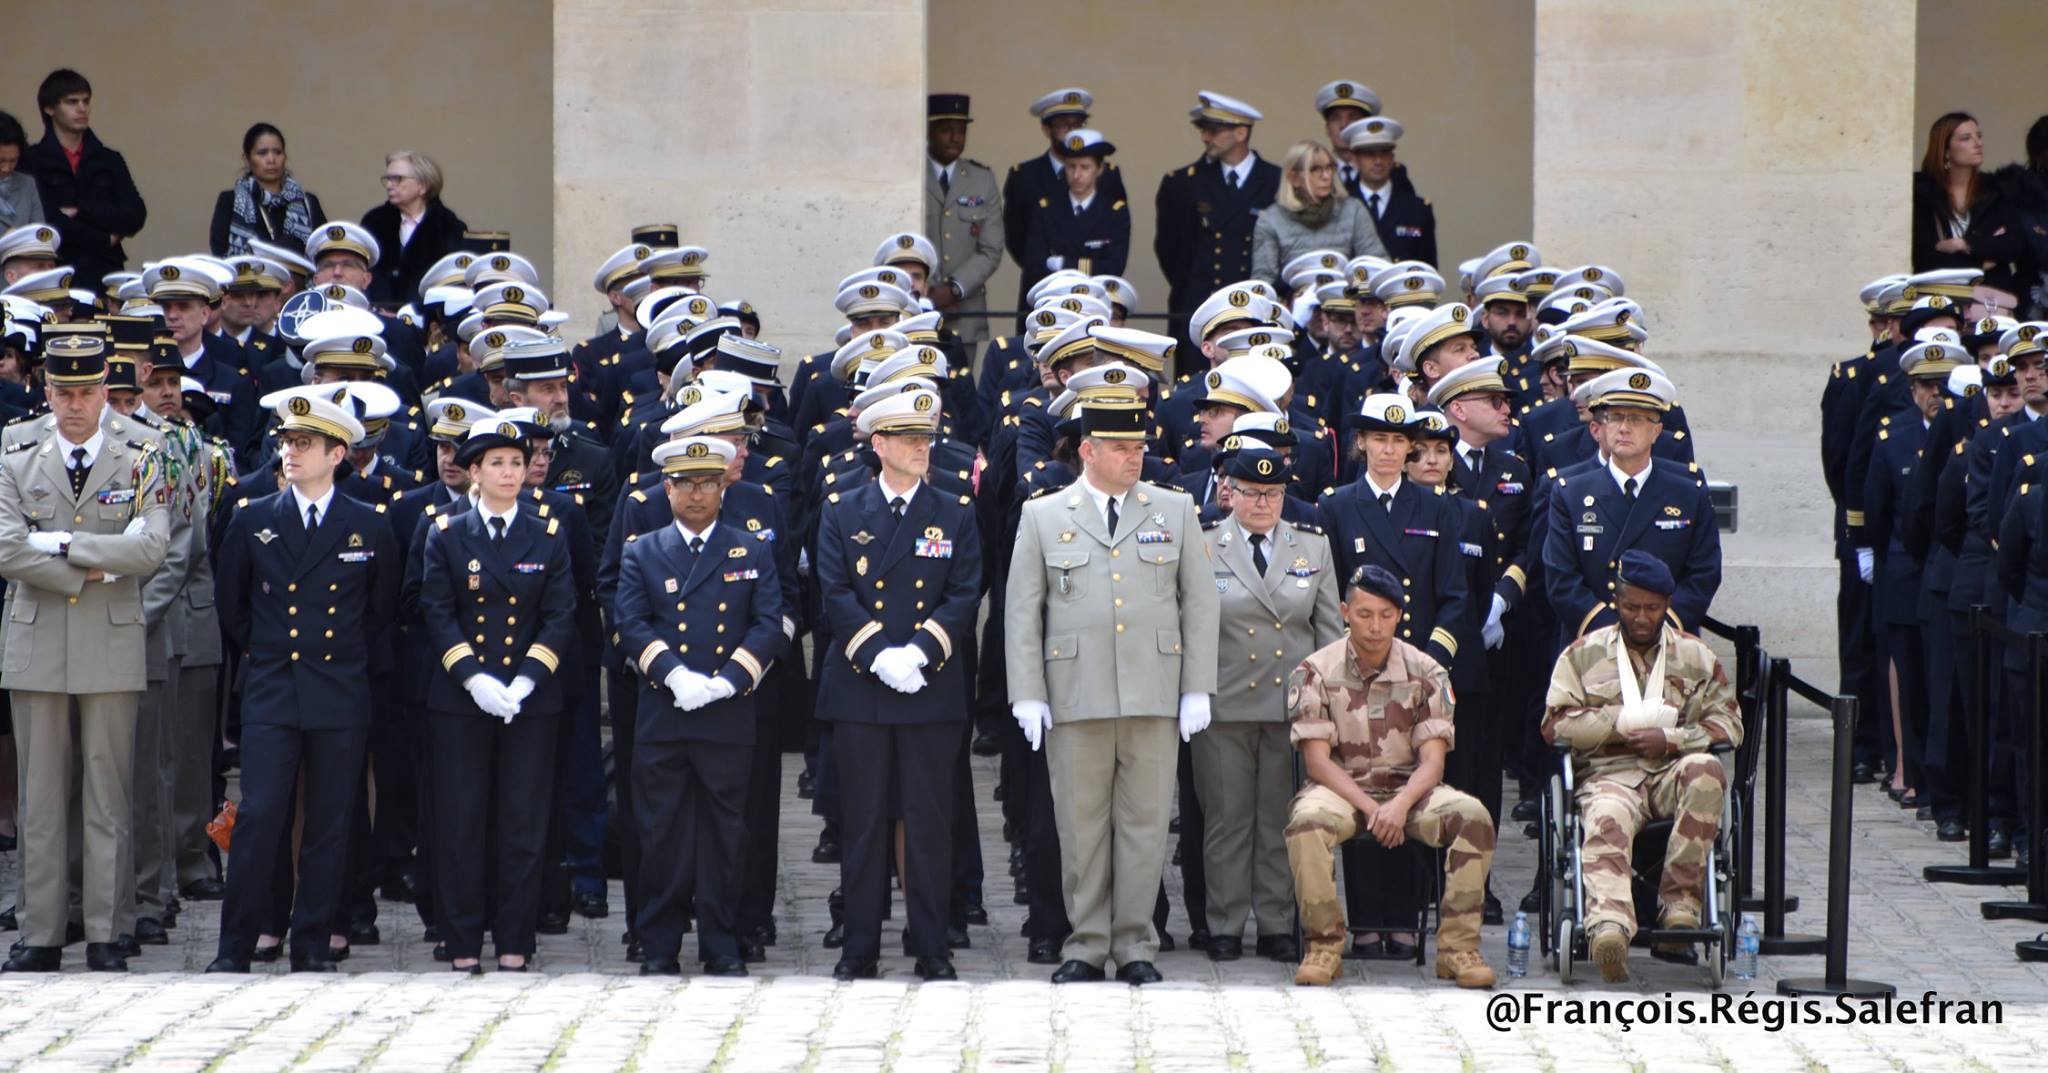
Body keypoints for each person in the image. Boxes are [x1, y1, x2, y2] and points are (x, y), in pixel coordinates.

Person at [1004, 389, 1219, 985]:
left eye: (1138, 446)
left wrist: (1197, 687)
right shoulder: (1045, 515)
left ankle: (1135, 944)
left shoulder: (1173, 509)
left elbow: (1199, 603)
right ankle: (1086, 943)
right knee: (1081, 828)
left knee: (1145, 827)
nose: (1134, 457)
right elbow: (1022, 611)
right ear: (1089, 451)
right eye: (1121, 447)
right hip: (1076, 693)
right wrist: (1027, 691)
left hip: (1154, 691)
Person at [206, 384, 400, 973]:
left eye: (305, 443)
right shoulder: (254, 518)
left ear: (337, 454)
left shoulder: (369, 524)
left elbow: (379, 612)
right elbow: (233, 608)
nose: (290, 452)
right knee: (260, 814)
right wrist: (270, 653)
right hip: (272, 685)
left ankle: (313, 942)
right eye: (287, 441)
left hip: (339, 689)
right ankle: (236, 945)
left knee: (331, 821)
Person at [0, 334, 172, 973]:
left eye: (86, 392)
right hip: (38, 638)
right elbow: (6, 548)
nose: (74, 406)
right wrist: (99, 562)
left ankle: (107, 929)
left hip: (110, 637)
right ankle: (41, 933)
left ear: (105, 391)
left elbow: (152, 547)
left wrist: (62, 545)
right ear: (45, 391)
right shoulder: (15, 451)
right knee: (40, 797)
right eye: (62, 393)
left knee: (108, 792)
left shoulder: (144, 451)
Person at [813, 387, 984, 982]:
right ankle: (859, 946)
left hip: (929, 687)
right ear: (878, 444)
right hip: (863, 687)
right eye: (909, 439)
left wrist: (919, 651)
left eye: (926, 438)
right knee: (862, 822)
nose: (921, 448)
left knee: (929, 822)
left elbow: (964, 591)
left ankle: (932, 945)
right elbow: (834, 591)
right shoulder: (842, 508)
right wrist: (879, 654)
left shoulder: (954, 509)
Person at [614, 436, 785, 977]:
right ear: (666, 489)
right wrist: (673, 674)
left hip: (726, 714)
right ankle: (659, 944)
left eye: (707, 483)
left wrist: (730, 680)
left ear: (722, 489)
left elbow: (768, 623)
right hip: (664, 712)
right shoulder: (642, 551)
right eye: (685, 484)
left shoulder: (751, 549)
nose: (696, 494)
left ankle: (721, 942)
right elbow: (630, 622)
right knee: (661, 832)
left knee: (726, 834)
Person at [1284, 564, 1498, 989]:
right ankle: (1323, 945)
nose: (1375, 626)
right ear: (1345, 612)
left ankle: (1458, 949)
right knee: (1306, 822)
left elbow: (1433, 762)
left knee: (1473, 816)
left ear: (1399, 615)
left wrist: (1399, 805)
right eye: (1364, 614)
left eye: (1385, 615)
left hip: (1410, 791)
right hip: (1342, 790)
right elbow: (1318, 763)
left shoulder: (1427, 671)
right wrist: (1372, 808)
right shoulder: (1315, 671)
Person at [418, 418, 576, 973]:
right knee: (461, 821)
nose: (510, 473)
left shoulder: (548, 533)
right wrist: (475, 679)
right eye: (497, 464)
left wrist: (526, 679)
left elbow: (560, 615)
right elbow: (436, 612)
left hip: (530, 700)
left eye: (517, 462)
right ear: (475, 473)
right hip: (461, 698)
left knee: (522, 822)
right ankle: (462, 938)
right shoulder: (446, 532)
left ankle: (515, 939)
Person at [1543, 550, 1743, 982]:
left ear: (1667, 605)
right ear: (1616, 601)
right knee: (1607, 814)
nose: (1641, 617)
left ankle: (1680, 907)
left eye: (1652, 608)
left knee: (1708, 771)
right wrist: (1619, 724)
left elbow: (1729, 724)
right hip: (1609, 776)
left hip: (1672, 771)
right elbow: (1555, 725)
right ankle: (1609, 927)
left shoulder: (1696, 657)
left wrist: (1672, 739)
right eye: (1631, 606)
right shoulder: (1583, 655)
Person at [1195, 447, 1340, 963]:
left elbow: (1328, 632)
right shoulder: (1205, 544)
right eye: (1252, 493)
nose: (1263, 503)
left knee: (1282, 817)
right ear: (1229, 493)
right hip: (1226, 703)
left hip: (1289, 706)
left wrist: (1327, 704)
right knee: (1227, 819)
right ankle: (1226, 923)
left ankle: (1277, 922)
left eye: (1274, 493)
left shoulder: (1312, 546)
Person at [1542, 368, 1721, 638]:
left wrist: (1654, 627)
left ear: (1656, 431)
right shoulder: (1570, 493)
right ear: (1602, 427)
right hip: (1594, 642)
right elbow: (1561, 578)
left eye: (1636, 419)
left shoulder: (1688, 493)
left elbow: (1704, 573)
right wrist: (1612, 633)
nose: (1624, 428)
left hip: (1667, 641)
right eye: (1615, 417)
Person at [1155, 92, 1280, 348]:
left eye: (1213, 130)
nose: (1205, 137)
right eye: (1203, 130)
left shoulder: (1275, 180)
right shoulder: (1183, 182)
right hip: (1200, 306)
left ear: (1241, 133)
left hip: (1253, 306)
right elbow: (1170, 250)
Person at [1004, 88, 1127, 330]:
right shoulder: (1025, 177)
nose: (1077, 174)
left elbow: (1113, 250)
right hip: (1045, 297)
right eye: (1064, 125)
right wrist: (1047, 266)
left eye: (1077, 124)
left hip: (1092, 300)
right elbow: (1019, 241)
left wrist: (1061, 262)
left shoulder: (1110, 179)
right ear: (1046, 129)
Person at [21, 69, 146, 289]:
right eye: (72, 102)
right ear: (49, 108)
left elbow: (134, 214)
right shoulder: (31, 160)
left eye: (86, 101)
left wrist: (81, 211)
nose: (82, 108)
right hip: (54, 270)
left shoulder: (109, 159)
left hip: (104, 273)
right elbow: (45, 221)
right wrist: (104, 239)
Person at [1912, 113, 2029, 313]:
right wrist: (1982, 260)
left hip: (1991, 302)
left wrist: (1964, 244)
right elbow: (1924, 257)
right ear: (1945, 150)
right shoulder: (1923, 194)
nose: (1978, 143)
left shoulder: (1997, 190)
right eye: (1966, 138)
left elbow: (2014, 245)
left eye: (1979, 136)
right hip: (1940, 305)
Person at [1018, 130, 1130, 314]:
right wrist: (1088, 264)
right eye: (1071, 167)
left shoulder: (1115, 212)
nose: (1077, 175)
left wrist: (1063, 263)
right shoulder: (1046, 208)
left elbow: (1114, 266)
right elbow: (1035, 264)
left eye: (1085, 167)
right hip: (1053, 303)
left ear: (1099, 169)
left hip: (1094, 305)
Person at [925, 93, 1004, 346]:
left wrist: (955, 288)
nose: (955, 138)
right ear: (928, 131)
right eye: (946, 130)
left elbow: (991, 248)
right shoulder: (912, 174)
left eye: (961, 131)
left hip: (965, 311)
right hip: (919, 307)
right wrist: (928, 290)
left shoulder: (982, 179)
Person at [1250, 140, 1384, 290]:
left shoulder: (1352, 210)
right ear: (1294, 178)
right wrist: (1289, 295)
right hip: (1294, 300)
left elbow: (1375, 265)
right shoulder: (1271, 219)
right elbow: (1264, 280)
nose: (1326, 176)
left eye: (1329, 167)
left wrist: (1353, 292)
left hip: (1346, 299)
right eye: (1315, 169)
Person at [362, 150, 468, 306]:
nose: (389, 185)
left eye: (398, 179)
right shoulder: (374, 222)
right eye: (388, 179)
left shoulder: (448, 226)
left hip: (428, 312)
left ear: (423, 186)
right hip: (380, 308)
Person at [209, 123, 327, 257]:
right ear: (246, 159)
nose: (271, 160)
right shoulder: (230, 201)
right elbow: (220, 252)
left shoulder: (308, 203)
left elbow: (325, 251)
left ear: (285, 157)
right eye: (262, 153)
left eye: (277, 152)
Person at [1341, 116, 1436, 267]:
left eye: (1384, 153)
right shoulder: (1341, 207)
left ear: (1392, 158)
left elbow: (1427, 269)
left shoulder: (1417, 209)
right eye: (1369, 154)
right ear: (1354, 160)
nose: (1378, 161)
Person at [0, 112, 44, 230]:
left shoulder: (27, 184)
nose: (6, 168)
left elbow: (40, 231)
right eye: (1, 161)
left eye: (13, 161)